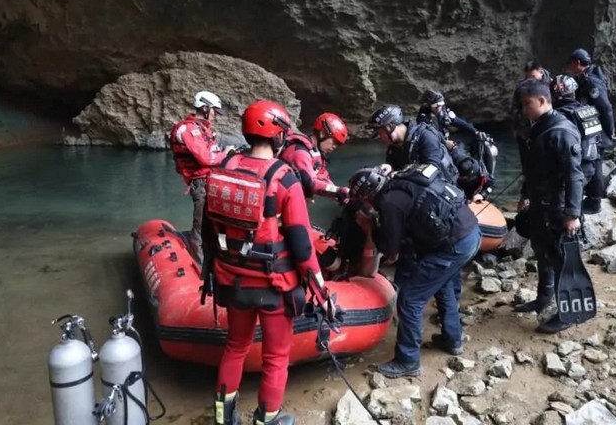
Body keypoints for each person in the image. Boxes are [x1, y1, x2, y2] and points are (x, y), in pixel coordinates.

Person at [201, 100, 338, 425]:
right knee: (276, 358)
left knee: (235, 347)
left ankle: (223, 418)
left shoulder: (224, 168)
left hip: (232, 280)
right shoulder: (284, 178)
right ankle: (268, 419)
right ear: (278, 136)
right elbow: (303, 248)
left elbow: (209, 230)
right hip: (274, 286)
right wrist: (322, 295)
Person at [347, 162, 481, 378]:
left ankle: (408, 361)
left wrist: (370, 228)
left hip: (454, 245)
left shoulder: (389, 203)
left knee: (410, 299)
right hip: (470, 231)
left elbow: (390, 250)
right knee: (443, 284)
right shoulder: (400, 182)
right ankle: (452, 339)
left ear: (368, 195)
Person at [512, 79, 585, 334]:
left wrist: (573, 214)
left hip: (558, 207)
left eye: (527, 104)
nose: (524, 110)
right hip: (540, 204)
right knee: (541, 251)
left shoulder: (561, 132)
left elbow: (574, 176)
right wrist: (525, 194)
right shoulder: (541, 127)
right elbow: (533, 168)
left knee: (561, 259)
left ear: (543, 101)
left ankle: (568, 313)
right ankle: (544, 298)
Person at [170, 90, 234, 263]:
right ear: (205, 108)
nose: (215, 116)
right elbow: (206, 158)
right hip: (201, 184)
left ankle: (220, 256)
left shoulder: (202, 129)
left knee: (217, 223)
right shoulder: (190, 130)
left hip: (210, 182)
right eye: (214, 111)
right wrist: (226, 154)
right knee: (201, 226)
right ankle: (198, 264)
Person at [551, 75, 605, 215]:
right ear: (574, 91)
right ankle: (594, 202)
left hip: (572, 174)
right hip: (591, 170)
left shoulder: (559, 116)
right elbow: (597, 148)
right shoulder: (588, 111)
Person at [367, 104, 459, 184]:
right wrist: (390, 169)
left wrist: (401, 174)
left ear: (389, 127)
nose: (380, 137)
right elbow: (396, 171)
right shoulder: (393, 149)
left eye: (379, 133)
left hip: (442, 190)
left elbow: (433, 170)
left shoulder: (425, 136)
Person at [279, 112, 350, 202]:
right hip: (282, 202)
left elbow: (323, 177)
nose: (335, 146)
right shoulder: (300, 153)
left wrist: (340, 194)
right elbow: (311, 183)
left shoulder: (315, 153)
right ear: (322, 134)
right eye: (334, 142)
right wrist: (338, 191)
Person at [567, 49, 616, 143]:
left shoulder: (591, 82)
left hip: (596, 127)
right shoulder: (582, 78)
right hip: (588, 124)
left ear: (577, 62)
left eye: (571, 64)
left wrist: (610, 131)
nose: (570, 67)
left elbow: (605, 107)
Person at [511, 60, 551, 169]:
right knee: (526, 159)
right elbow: (515, 108)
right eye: (528, 77)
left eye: (533, 76)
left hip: (547, 126)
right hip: (526, 127)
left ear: (541, 72)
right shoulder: (522, 88)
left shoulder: (552, 85)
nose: (531, 80)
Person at [416, 89, 484, 145]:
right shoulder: (424, 118)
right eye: (436, 106)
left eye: (440, 105)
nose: (438, 108)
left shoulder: (444, 113)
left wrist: (476, 132)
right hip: (432, 144)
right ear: (428, 105)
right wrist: (445, 143)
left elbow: (460, 123)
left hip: (444, 142)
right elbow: (428, 135)